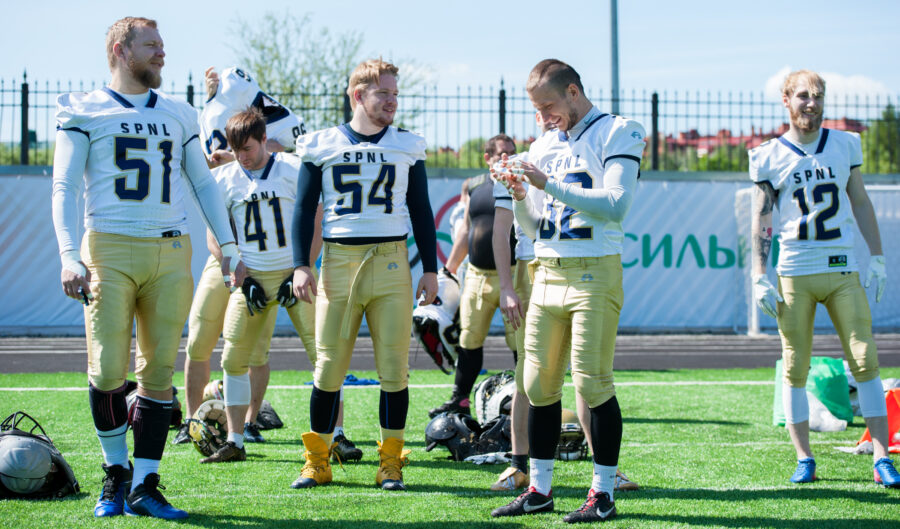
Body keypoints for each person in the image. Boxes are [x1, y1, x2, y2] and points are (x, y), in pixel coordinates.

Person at [51, 17, 243, 519]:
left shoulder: (178, 112)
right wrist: (69, 254)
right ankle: (116, 471)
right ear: (120, 50)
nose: (162, 53)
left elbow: (203, 183)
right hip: (108, 247)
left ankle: (145, 483)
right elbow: (64, 187)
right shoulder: (85, 108)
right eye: (151, 44)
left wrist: (229, 245)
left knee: (158, 373)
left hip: (170, 249)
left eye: (162, 44)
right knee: (107, 370)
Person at [491, 59, 645, 523]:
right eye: (536, 109)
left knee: (593, 383)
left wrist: (546, 182)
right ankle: (539, 489)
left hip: (594, 272)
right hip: (547, 273)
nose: (542, 117)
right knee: (538, 386)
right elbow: (533, 226)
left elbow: (616, 205)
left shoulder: (618, 130)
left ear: (573, 92)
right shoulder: (543, 145)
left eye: (548, 106)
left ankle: (603, 494)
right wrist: (521, 195)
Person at [290, 58, 438, 491]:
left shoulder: (407, 144)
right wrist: (300, 263)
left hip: (391, 261)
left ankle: (390, 463)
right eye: (383, 93)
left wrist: (430, 269)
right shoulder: (321, 144)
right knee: (328, 368)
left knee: (394, 369)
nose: (393, 101)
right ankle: (317, 461)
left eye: (395, 94)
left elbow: (421, 209)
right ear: (358, 95)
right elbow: (304, 208)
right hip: (338, 262)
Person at [749, 69, 899, 487]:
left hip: (841, 268)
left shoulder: (845, 144)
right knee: (795, 366)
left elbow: (861, 201)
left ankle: (882, 457)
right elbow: (761, 218)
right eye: (802, 95)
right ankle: (804, 458)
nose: (811, 103)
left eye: (817, 95)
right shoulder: (768, 154)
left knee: (865, 359)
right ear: (786, 100)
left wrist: (878, 257)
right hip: (795, 272)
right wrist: (759, 274)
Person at [196, 109, 323, 462]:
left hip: (294, 275)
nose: (242, 157)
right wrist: (238, 269)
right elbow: (214, 234)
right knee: (232, 358)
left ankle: (335, 437)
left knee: (323, 356)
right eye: (236, 150)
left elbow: (316, 219)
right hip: (252, 277)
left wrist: (302, 266)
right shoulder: (224, 178)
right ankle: (235, 441)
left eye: (248, 148)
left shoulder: (293, 168)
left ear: (265, 139)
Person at [428, 134, 519, 419]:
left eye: (512, 152)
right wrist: (449, 269)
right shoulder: (474, 185)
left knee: (520, 341)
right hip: (478, 276)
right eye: (501, 153)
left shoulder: (520, 182)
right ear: (487, 157)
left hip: (515, 276)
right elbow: (466, 230)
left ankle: (527, 400)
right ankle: (460, 400)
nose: (507, 158)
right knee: (469, 339)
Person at [199, 66, 305, 168]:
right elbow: (281, 144)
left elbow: (278, 146)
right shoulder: (232, 99)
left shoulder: (205, 118)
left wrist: (213, 99)